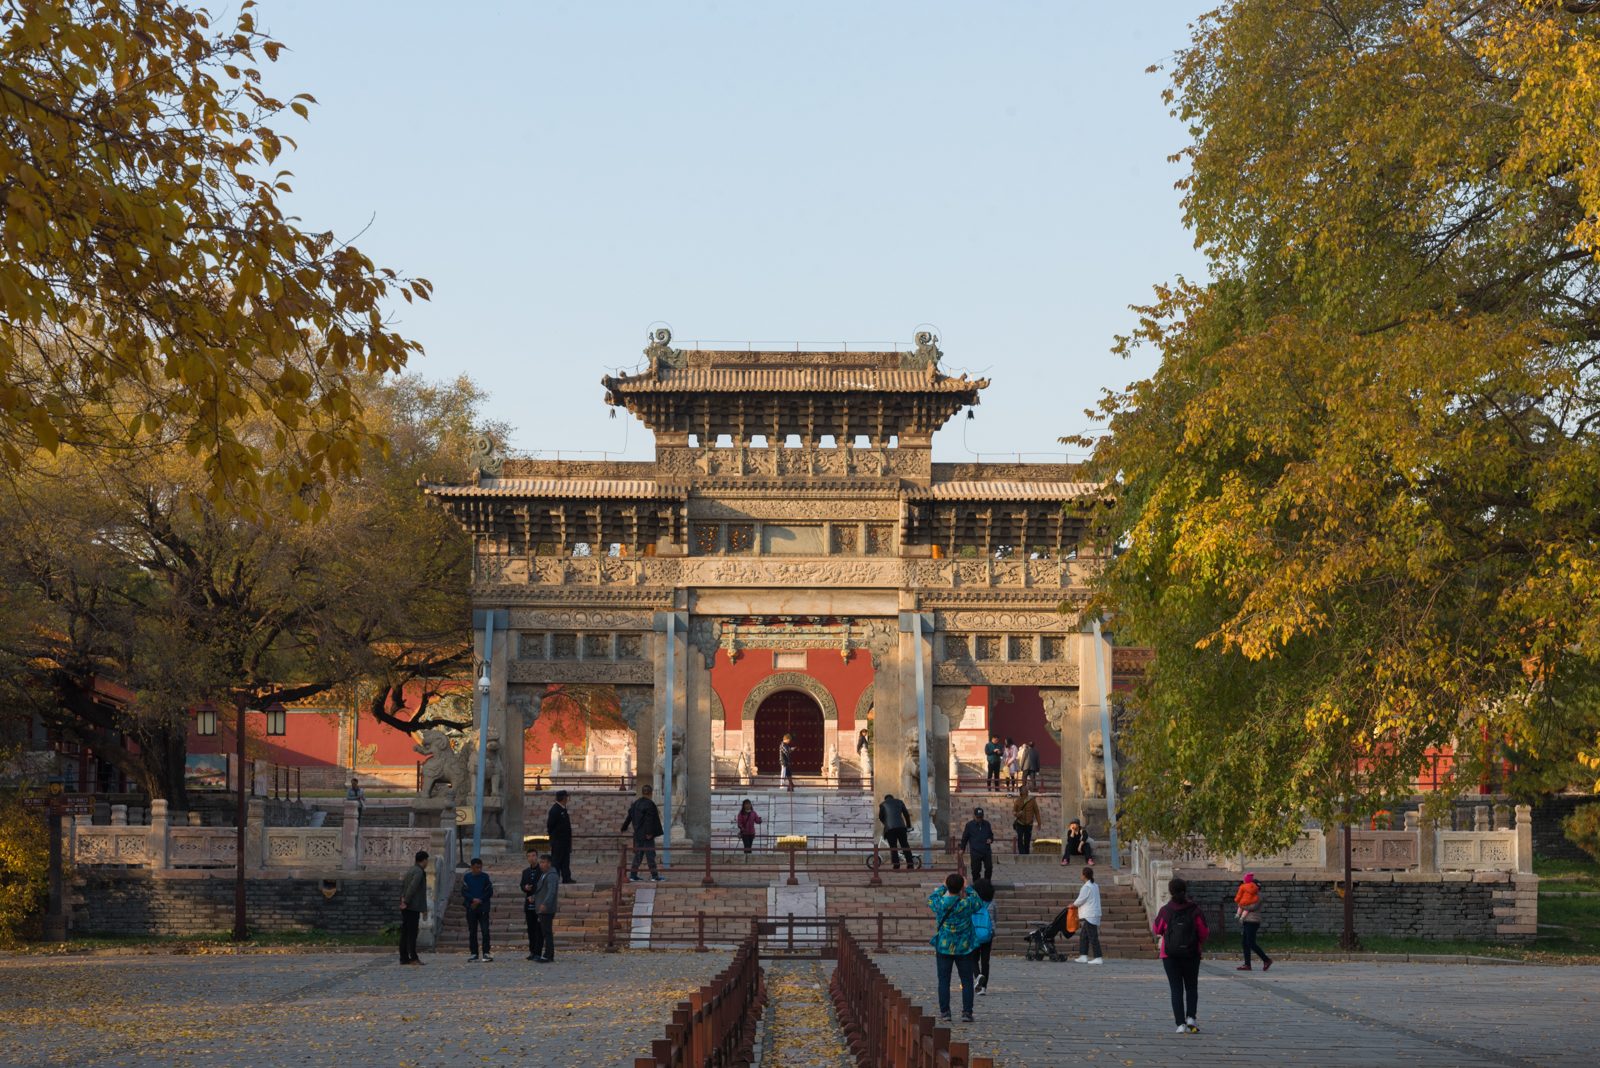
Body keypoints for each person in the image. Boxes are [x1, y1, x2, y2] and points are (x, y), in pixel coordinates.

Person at [1153, 876, 1210, 1034]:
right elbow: (1204, 932)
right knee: (1191, 987)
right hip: (1191, 954)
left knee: (1176, 989)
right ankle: (1191, 1018)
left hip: (1170, 955)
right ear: (1186, 890)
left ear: (1170, 892)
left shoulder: (1166, 910)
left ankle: (1180, 1024)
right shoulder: (1195, 909)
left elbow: (1157, 929)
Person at [927, 872, 983, 1024]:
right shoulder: (966, 904)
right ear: (960, 888)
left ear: (947, 887)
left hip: (944, 947)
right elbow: (979, 901)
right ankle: (967, 1013)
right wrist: (967, 887)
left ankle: (945, 1012)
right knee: (966, 981)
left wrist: (943, 886)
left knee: (943, 980)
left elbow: (930, 899)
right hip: (963, 948)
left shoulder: (940, 904)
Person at [621, 784, 665, 882]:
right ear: (651, 793)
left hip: (638, 834)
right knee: (650, 855)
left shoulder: (635, 803)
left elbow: (629, 817)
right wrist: (649, 833)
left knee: (638, 855)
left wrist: (624, 827)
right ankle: (655, 876)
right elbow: (649, 820)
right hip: (646, 835)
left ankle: (633, 875)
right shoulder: (650, 804)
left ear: (642, 792)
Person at [1235, 872, 1273, 971]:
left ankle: (1266, 959)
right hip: (1247, 920)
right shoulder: (1251, 895)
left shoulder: (1258, 895)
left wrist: (1240, 905)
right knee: (1245, 943)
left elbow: (1252, 906)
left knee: (1251, 943)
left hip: (1253, 921)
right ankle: (1247, 964)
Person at [398, 849, 428, 966]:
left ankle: (404, 957)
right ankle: (413, 957)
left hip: (407, 905)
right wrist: (407, 901)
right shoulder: (419, 871)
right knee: (411, 933)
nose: (427, 863)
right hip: (412, 906)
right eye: (427, 860)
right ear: (424, 860)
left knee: (405, 932)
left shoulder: (412, 869)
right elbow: (412, 887)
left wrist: (403, 898)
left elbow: (404, 885)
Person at [461, 857, 494, 963]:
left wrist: (478, 900)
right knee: (472, 932)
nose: (479, 869)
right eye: (476, 867)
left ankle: (486, 953)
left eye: (480, 867)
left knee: (485, 931)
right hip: (471, 908)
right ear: (471, 867)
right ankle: (474, 953)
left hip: (483, 908)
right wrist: (472, 900)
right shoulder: (467, 877)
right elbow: (464, 892)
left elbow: (489, 892)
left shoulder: (485, 877)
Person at [1071, 866, 1103, 964]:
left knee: (1092, 936)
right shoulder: (1094, 885)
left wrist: (1073, 905)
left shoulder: (1087, 887)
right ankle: (1083, 955)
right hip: (1093, 913)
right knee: (1084, 935)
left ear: (1084, 876)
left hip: (1090, 914)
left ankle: (1098, 957)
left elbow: (1081, 899)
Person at [532, 852, 560, 962]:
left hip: (546, 909)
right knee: (541, 932)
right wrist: (533, 897)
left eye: (543, 863)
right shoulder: (544, 874)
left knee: (547, 932)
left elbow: (551, 892)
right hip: (540, 907)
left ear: (549, 863)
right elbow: (541, 890)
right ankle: (539, 953)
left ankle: (549, 955)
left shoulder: (552, 875)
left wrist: (545, 904)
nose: (541, 865)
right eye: (540, 863)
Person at [972, 877, 997, 995]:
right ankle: (984, 988)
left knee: (973, 959)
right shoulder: (991, 903)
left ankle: (978, 976)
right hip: (988, 934)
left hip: (974, 933)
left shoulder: (972, 901)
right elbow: (995, 918)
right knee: (985, 961)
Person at [958, 807, 995, 883]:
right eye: (978, 817)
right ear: (974, 816)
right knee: (975, 870)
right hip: (975, 851)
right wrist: (962, 849)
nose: (979, 819)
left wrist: (990, 839)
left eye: (981, 817)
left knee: (989, 868)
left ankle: (987, 883)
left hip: (986, 851)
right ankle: (977, 884)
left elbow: (991, 834)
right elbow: (965, 838)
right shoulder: (969, 825)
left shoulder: (987, 824)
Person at [878, 792, 914, 869]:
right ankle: (910, 864)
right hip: (901, 827)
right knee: (905, 845)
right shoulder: (900, 802)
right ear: (893, 798)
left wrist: (886, 823)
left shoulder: (882, 804)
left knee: (893, 847)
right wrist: (908, 825)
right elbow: (906, 814)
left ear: (886, 799)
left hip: (890, 829)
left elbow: (881, 817)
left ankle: (896, 865)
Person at [520, 848, 544, 961]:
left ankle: (538, 952)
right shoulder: (525, 872)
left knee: (538, 930)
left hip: (539, 905)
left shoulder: (543, 870)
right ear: (527, 858)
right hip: (529, 906)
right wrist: (525, 888)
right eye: (529, 856)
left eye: (533, 855)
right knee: (530, 929)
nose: (531, 858)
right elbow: (522, 885)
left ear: (537, 857)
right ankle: (532, 951)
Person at [547, 789, 575, 884]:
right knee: (557, 859)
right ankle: (554, 878)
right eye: (566, 797)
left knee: (565, 859)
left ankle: (566, 877)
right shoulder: (555, 810)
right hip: (558, 839)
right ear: (563, 798)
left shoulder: (563, 809)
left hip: (565, 839)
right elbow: (550, 825)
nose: (567, 799)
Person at [1012, 786, 1039, 855]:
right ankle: (1021, 853)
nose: (1026, 789)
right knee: (1020, 838)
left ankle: (1026, 853)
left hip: (1029, 823)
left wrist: (1039, 822)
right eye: (1024, 788)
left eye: (1027, 788)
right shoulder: (1017, 801)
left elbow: (1036, 811)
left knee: (1027, 840)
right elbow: (1014, 811)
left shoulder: (1032, 800)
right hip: (1020, 822)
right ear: (1020, 791)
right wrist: (1016, 814)